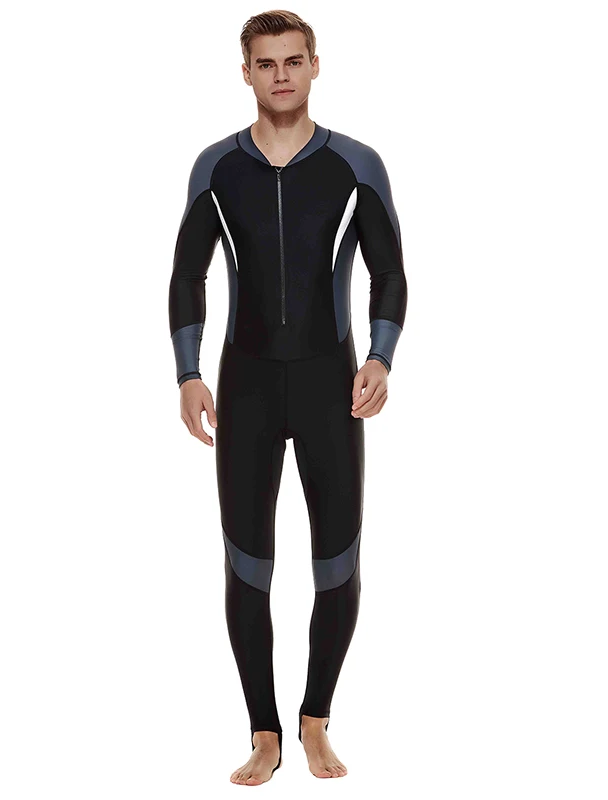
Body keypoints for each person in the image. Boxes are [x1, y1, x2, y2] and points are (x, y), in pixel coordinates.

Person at [168, 10, 407, 785]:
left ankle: (315, 720)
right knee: (248, 567)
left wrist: (380, 358)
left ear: (314, 66)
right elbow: (187, 275)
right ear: (245, 72)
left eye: (293, 60)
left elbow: (389, 272)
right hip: (246, 389)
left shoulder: (356, 165)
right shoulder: (216, 168)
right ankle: (264, 732)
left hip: (331, 387)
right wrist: (188, 373)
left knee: (338, 564)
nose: (281, 74)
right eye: (266, 63)